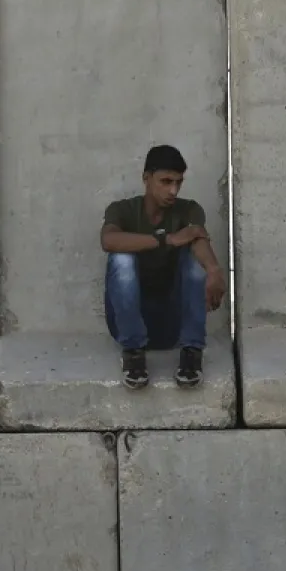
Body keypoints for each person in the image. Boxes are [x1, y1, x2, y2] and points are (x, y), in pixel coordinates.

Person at [100, 144, 228, 389]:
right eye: (166, 181)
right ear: (146, 178)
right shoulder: (123, 210)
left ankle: (191, 352)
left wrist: (214, 270)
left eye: (178, 182)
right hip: (127, 324)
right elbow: (108, 240)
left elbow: (198, 239)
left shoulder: (188, 209)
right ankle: (134, 354)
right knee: (121, 258)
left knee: (195, 258)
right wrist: (166, 239)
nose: (173, 190)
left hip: (173, 324)